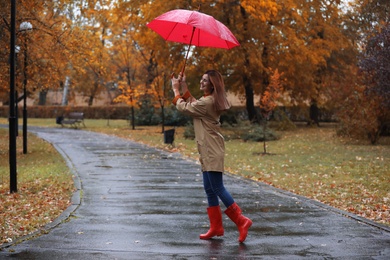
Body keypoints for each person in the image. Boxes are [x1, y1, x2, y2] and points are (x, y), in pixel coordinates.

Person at [171, 70, 252, 243]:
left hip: (212, 151)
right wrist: (184, 85)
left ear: (213, 85)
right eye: (201, 79)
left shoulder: (208, 102)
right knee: (209, 188)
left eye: (205, 81)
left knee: (217, 187)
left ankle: (241, 221)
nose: (201, 83)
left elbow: (185, 107)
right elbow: (194, 102)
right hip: (208, 150)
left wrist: (176, 90)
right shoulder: (208, 100)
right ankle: (216, 227)